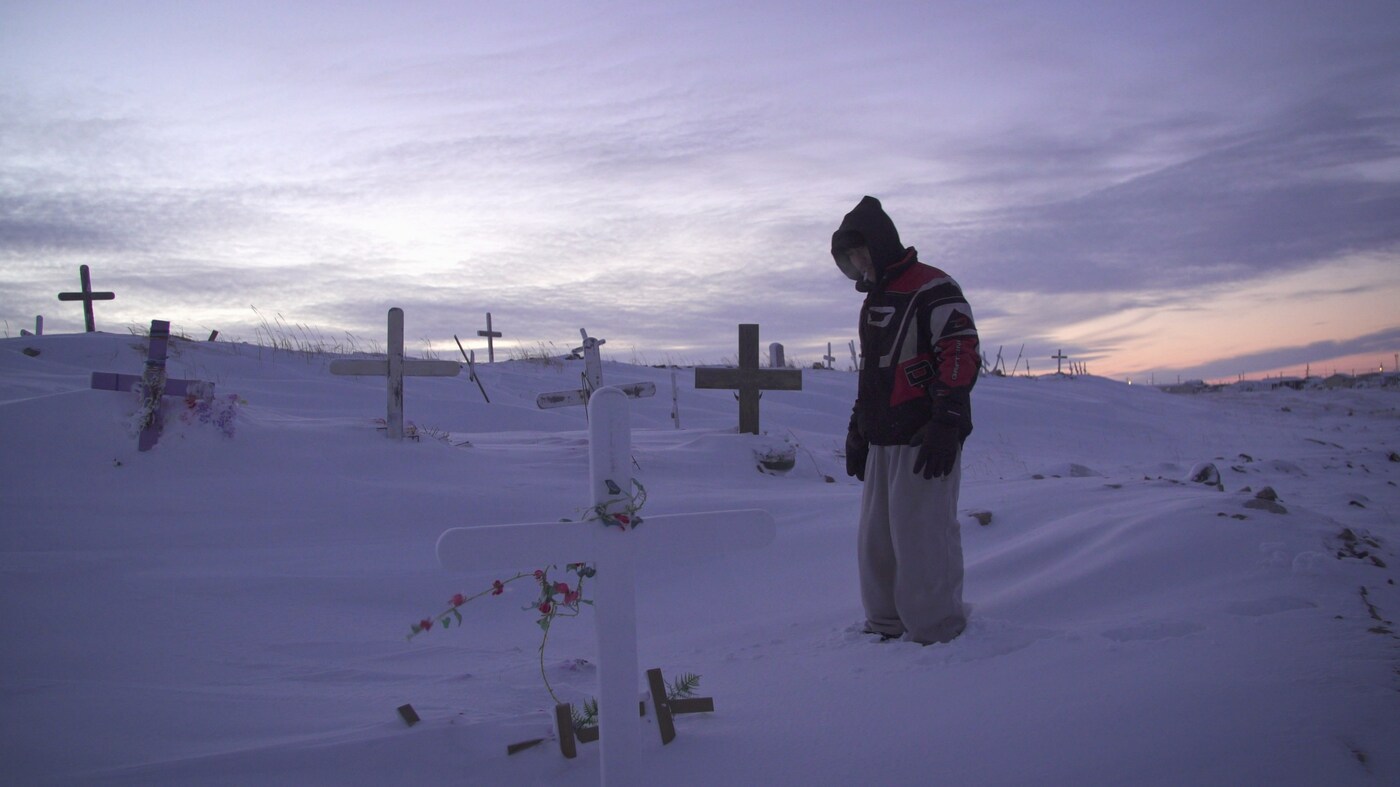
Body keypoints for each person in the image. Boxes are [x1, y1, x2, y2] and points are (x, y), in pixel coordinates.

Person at [832, 195, 980, 645]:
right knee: (877, 543)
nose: (859, 264)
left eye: (862, 254)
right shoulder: (875, 300)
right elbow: (873, 373)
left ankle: (936, 630)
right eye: (851, 258)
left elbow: (959, 351)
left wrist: (946, 422)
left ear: (879, 245)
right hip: (882, 438)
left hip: (923, 438)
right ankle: (885, 625)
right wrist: (859, 428)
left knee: (923, 538)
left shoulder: (933, 288)